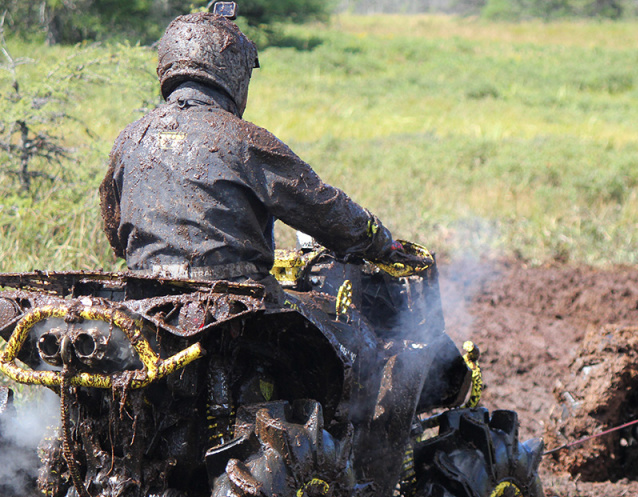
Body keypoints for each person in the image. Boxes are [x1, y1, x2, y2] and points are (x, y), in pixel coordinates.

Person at [99, 9, 427, 298]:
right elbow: (322, 208)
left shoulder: (130, 137)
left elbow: (115, 234)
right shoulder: (242, 139)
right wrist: (381, 242)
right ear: (233, 71)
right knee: (350, 334)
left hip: (143, 296)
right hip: (236, 299)